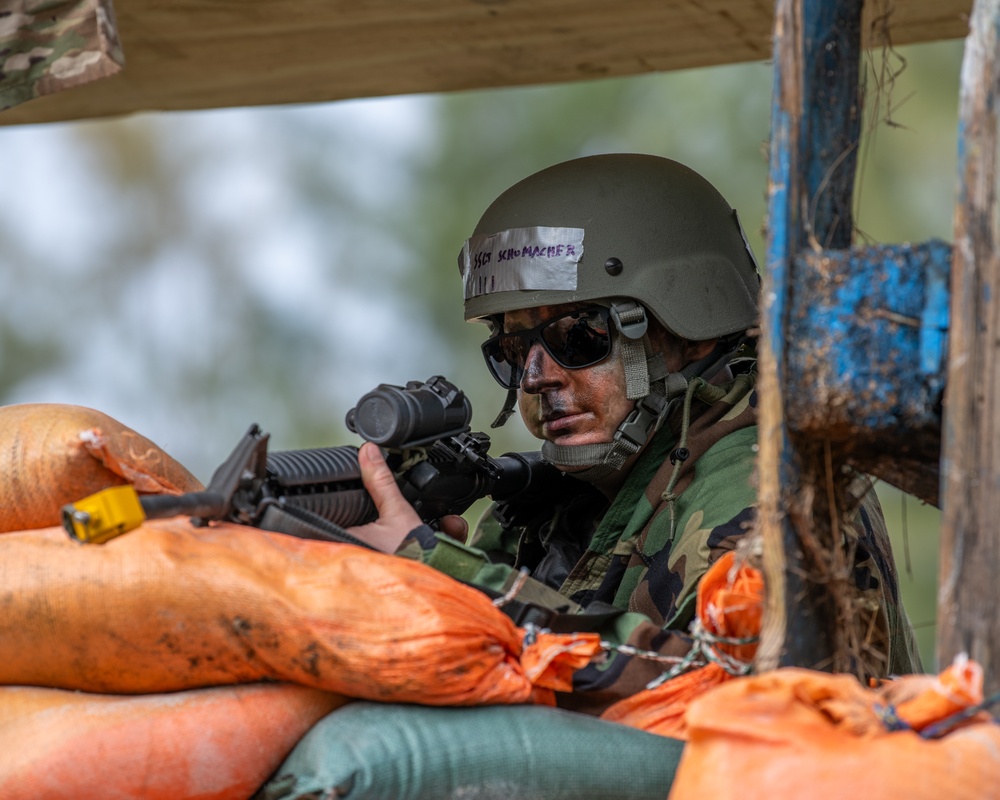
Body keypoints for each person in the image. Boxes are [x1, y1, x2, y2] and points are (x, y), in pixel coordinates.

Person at [346, 153, 921, 713]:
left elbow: (718, 694)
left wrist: (446, 573)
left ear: (688, 332)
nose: (536, 376)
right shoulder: (571, 491)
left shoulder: (756, 491)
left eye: (576, 336)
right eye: (515, 349)